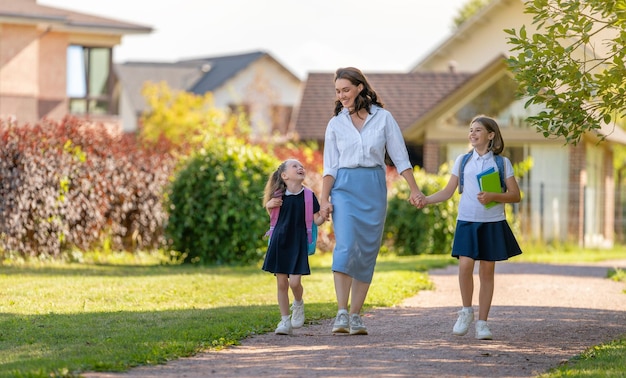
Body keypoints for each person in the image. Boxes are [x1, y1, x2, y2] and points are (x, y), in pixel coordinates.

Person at [320, 67, 425, 335]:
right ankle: (341, 313)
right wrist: (324, 200)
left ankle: (356, 315)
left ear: (359, 88)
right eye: (338, 91)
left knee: (366, 251)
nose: (341, 95)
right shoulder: (336, 124)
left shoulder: (384, 118)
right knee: (344, 246)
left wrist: (414, 189)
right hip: (343, 187)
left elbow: (400, 157)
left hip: (373, 186)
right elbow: (329, 166)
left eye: (346, 89)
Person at [419, 115, 522, 340]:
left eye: (477, 130)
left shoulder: (502, 163)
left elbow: (515, 195)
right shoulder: (463, 161)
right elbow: (448, 192)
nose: (472, 134)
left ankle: (483, 323)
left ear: (491, 135)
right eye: (470, 130)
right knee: (465, 266)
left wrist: (494, 195)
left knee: (487, 272)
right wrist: (426, 199)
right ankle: (466, 311)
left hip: (493, 223)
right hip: (466, 221)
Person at [262, 159, 328, 335]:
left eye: (301, 166)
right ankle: (285, 321)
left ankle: (298, 303)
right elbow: (274, 217)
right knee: (282, 283)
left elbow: (316, 220)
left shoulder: (308, 196)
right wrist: (269, 205)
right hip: (279, 242)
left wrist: (325, 214)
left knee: (295, 282)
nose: (300, 168)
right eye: (295, 166)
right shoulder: (278, 196)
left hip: (297, 243)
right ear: (284, 176)